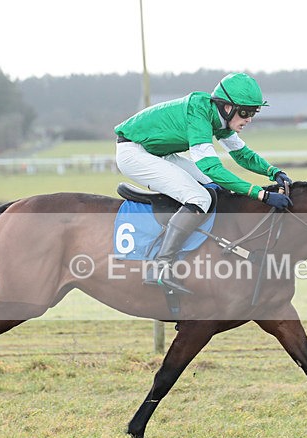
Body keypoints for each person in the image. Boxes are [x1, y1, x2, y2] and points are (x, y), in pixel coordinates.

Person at [114, 72, 293, 294]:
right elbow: (211, 167)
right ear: (227, 107)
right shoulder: (198, 114)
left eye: (253, 113)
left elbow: (242, 155)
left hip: (158, 152)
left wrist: (273, 171)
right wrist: (261, 194)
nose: (249, 119)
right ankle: (161, 267)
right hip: (134, 153)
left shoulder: (219, 118)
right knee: (200, 197)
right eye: (245, 112)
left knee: (216, 188)